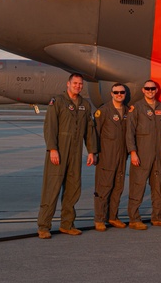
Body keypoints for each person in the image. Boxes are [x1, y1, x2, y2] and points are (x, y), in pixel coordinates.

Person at [36, 73, 97, 239]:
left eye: (80, 84)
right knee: (52, 189)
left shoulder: (85, 105)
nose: (78, 86)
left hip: (75, 153)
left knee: (73, 188)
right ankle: (44, 226)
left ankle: (67, 224)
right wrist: (52, 149)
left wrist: (91, 151)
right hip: (59, 151)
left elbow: (89, 130)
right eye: (75, 83)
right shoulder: (58, 101)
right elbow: (50, 127)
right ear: (68, 84)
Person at [126, 79, 161, 229]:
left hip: (158, 153)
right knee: (138, 185)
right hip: (142, 151)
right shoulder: (137, 108)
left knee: (158, 185)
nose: (150, 91)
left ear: (156, 90)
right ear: (143, 90)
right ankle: (134, 218)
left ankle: (157, 216)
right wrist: (133, 152)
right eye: (147, 89)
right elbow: (130, 132)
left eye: (153, 89)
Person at [92, 83, 130, 232]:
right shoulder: (104, 111)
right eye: (116, 92)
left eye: (122, 92)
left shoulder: (127, 111)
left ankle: (113, 216)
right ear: (111, 93)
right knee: (104, 187)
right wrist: (94, 152)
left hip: (122, 155)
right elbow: (95, 133)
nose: (119, 94)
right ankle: (99, 218)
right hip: (106, 155)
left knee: (118, 186)